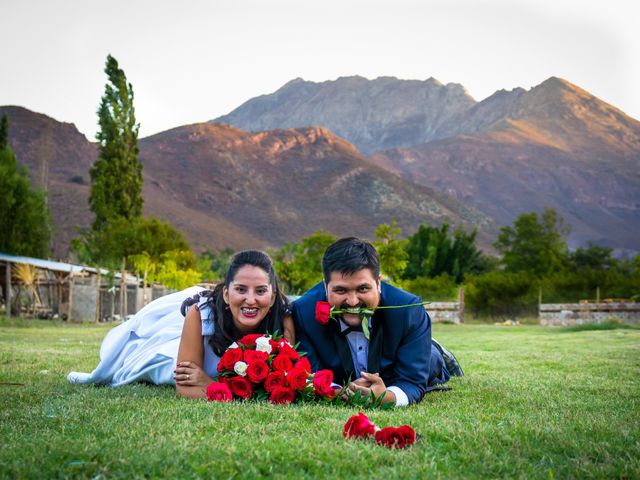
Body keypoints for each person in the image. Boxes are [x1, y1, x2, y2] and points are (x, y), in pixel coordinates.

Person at [68, 250, 294, 399]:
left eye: (261, 291)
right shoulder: (200, 313)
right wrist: (210, 384)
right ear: (226, 294)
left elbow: (284, 383)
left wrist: (209, 384)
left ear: (273, 297)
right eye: (241, 289)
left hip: (209, 372)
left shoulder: (283, 318)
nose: (251, 300)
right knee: (141, 361)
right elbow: (185, 385)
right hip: (178, 347)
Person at [292, 237, 463, 407]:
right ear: (325, 286)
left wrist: (386, 396)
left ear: (379, 283)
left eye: (363, 289)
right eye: (341, 290)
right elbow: (311, 372)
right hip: (347, 375)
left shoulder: (408, 310)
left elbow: (412, 381)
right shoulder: (303, 312)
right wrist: (338, 392)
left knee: (430, 362)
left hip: (398, 367)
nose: (352, 302)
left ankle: (439, 352)